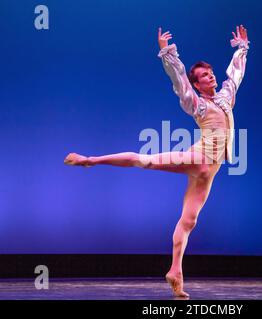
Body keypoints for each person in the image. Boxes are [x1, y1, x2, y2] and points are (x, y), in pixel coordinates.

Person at [63, 25, 249, 298]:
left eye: (210, 73)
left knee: (189, 220)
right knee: (146, 161)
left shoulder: (225, 99)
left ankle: (175, 271)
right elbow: (180, 84)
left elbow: (235, 76)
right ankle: (91, 160)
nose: (210, 76)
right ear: (197, 84)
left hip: (210, 171)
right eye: (203, 76)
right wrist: (167, 53)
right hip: (198, 158)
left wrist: (241, 49)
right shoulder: (198, 104)